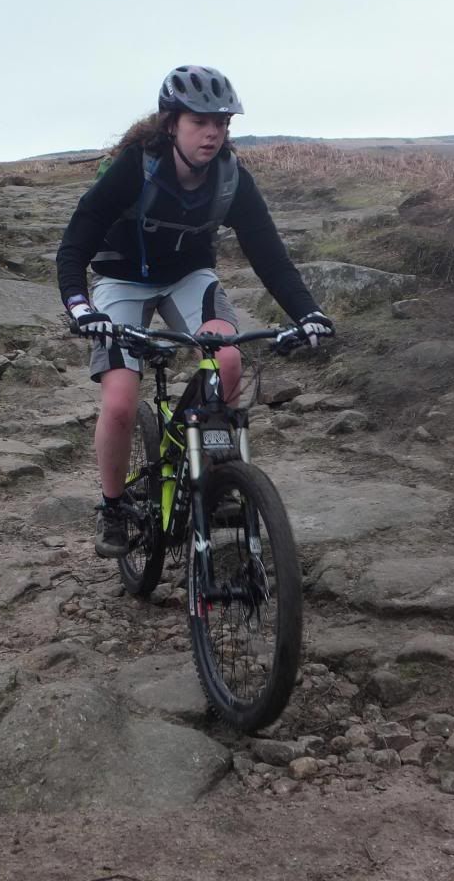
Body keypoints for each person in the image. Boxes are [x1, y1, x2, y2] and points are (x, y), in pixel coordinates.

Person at [56, 65, 334, 557]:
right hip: (122, 278)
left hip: (189, 277)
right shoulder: (135, 167)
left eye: (222, 123)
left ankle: (212, 473)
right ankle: (114, 507)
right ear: (171, 124)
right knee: (120, 401)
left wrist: (308, 313)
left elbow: (269, 254)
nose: (213, 132)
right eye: (199, 121)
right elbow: (76, 241)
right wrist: (79, 304)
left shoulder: (230, 178)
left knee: (227, 359)